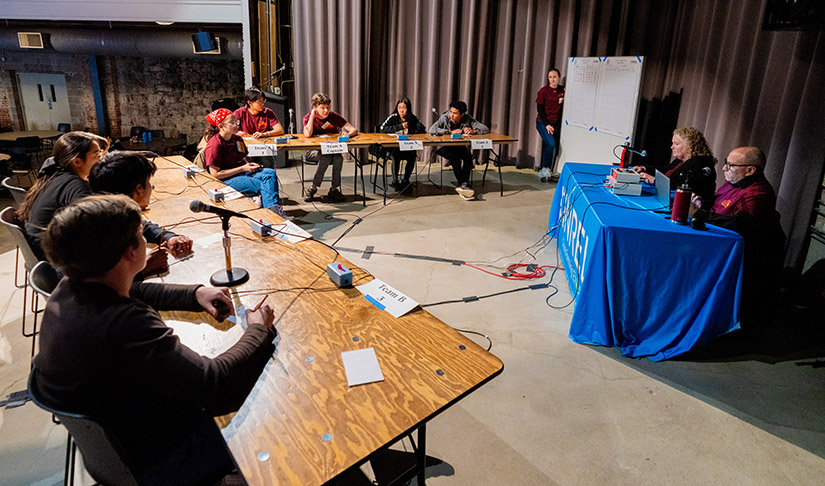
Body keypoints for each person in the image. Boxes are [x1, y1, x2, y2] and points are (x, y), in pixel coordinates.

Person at [32, 194, 277, 485]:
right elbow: (215, 385)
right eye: (141, 234)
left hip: (120, 445)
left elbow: (134, 291)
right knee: (273, 417)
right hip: (162, 457)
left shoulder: (70, 288)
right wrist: (257, 330)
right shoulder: (123, 324)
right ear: (129, 252)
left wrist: (195, 294)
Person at [691, 146, 785, 329]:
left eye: (731, 165)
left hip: (746, 258)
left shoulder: (758, 193)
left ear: (750, 170)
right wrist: (702, 204)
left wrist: (700, 215)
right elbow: (720, 204)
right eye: (726, 163)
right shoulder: (734, 182)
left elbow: (744, 223)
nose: (724, 168)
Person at [89, 151, 194, 277]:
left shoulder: (110, 214)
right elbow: (103, 285)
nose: (151, 187)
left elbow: (143, 226)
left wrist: (167, 237)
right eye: (149, 183)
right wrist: (143, 268)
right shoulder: (104, 234)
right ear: (138, 189)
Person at [17, 131, 102, 260]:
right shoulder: (75, 185)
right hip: (56, 260)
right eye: (97, 155)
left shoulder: (53, 176)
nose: (101, 160)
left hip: (42, 254)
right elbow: (96, 225)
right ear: (77, 161)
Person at [203, 108, 285, 217]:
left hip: (242, 172)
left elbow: (242, 158)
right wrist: (242, 168)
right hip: (226, 179)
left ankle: (273, 209)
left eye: (236, 122)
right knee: (261, 185)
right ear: (221, 126)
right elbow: (215, 174)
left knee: (270, 174)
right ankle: (271, 214)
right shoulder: (215, 145)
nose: (236, 125)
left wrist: (249, 166)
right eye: (232, 123)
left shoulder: (237, 139)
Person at [632, 127, 717, 201]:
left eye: (676, 144)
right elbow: (666, 171)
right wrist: (645, 168)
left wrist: (654, 180)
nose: (672, 147)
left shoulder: (699, 163)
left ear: (689, 146)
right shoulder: (681, 160)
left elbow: (681, 185)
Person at [302, 92, 358, 202]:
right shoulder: (308, 118)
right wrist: (312, 116)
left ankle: (334, 189)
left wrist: (348, 134)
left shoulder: (333, 116)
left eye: (327, 107)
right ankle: (313, 187)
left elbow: (353, 129)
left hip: (330, 149)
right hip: (313, 151)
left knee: (338, 157)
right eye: (322, 108)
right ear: (315, 107)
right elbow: (307, 134)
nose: (326, 110)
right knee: (325, 157)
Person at [429, 100, 489, 200]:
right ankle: (463, 184)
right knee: (455, 158)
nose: (452, 115)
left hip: (459, 146)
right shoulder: (445, 117)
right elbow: (431, 129)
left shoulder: (467, 118)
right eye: (451, 112)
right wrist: (449, 132)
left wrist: (473, 131)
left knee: (468, 157)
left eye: (455, 113)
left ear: (462, 114)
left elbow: (485, 128)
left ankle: (463, 184)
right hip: (444, 147)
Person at [379, 97, 426, 191]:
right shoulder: (393, 117)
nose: (401, 110)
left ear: (408, 108)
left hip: (406, 147)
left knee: (412, 156)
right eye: (399, 108)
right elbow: (382, 129)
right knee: (396, 157)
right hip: (392, 148)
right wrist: (400, 126)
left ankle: (405, 180)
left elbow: (422, 129)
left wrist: (410, 131)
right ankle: (395, 181)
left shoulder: (412, 118)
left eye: (404, 108)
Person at [535, 68, 564, 182]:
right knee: (551, 143)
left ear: (559, 78)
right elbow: (540, 109)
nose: (552, 79)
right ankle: (544, 168)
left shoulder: (562, 90)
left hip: (556, 123)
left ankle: (548, 169)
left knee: (553, 146)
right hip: (543, 123)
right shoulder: (544, 91)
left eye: (554, 77)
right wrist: (546, 124)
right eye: (550, 77)